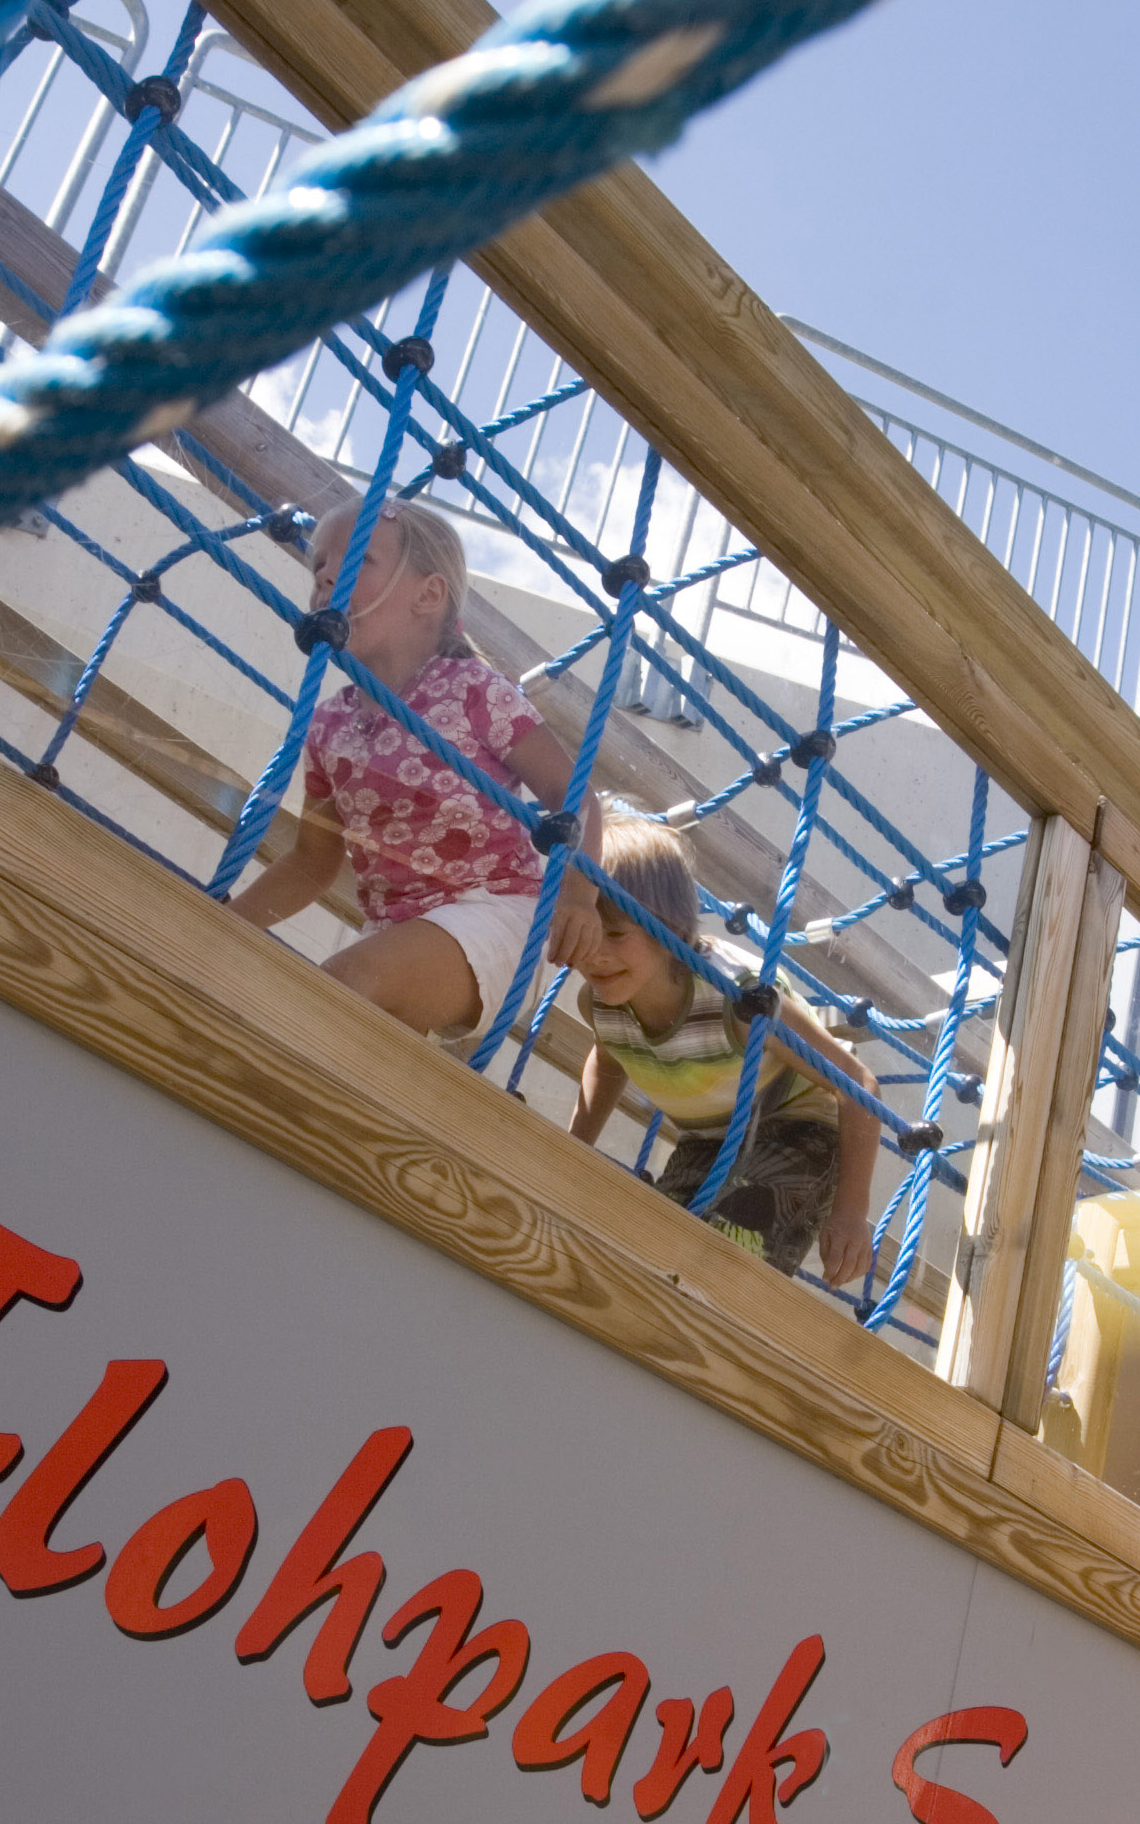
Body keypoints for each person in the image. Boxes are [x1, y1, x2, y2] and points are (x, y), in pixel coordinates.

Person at [226, 501, 585, 1040]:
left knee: (339, 988)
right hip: (394, 928)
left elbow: (574, 794)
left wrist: (580, 897)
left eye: (356, 560)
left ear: (429, 595)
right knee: (300, 1014)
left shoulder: (473, 691)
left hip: (494, 910)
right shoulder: (329, 726)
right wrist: (230, 923)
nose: (325, 573)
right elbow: (311, 861)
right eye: (318, 564)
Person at [554, 814, 879, 1286]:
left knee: (728, 1252)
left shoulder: (739, 1001)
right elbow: (608, 1064)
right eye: (584, 929)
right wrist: (574, 1148)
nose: (593, 953)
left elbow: (859, 1086)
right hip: (709, 1142)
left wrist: (850, 1214)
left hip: (798, 1128)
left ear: (670, 928)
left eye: (616, 934)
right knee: (652, 1253)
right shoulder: (604, 1004)